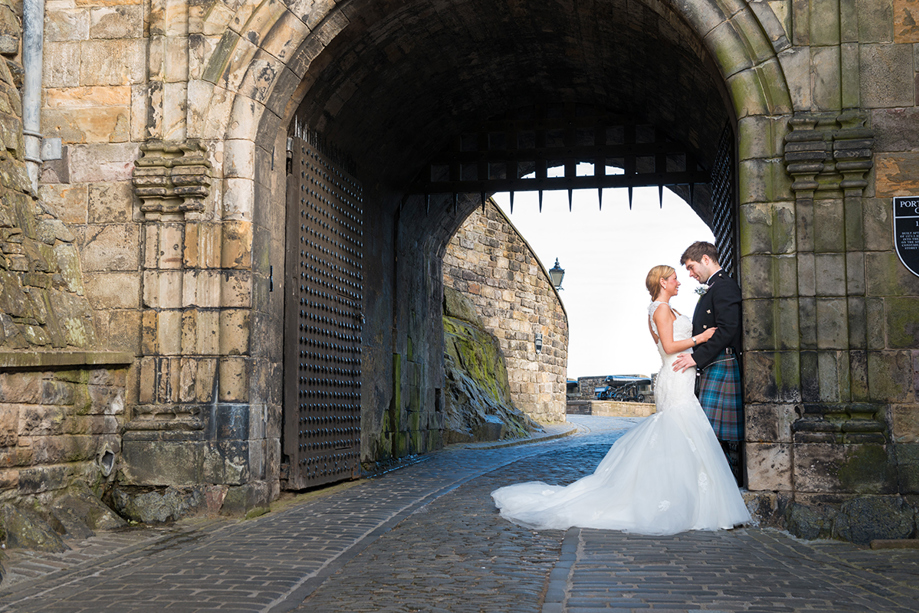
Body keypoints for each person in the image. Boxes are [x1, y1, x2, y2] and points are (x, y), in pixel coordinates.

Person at [490, 266, 751, 535]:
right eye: (674, 278)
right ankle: (676, 501)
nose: (679, 282)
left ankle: (688, 498)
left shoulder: (669, 309)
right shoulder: (659, 309)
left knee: (683, 437)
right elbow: (669, 347)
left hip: (683, 374)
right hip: (674, 375)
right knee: (680, 432)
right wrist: (702, 337)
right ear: (662, 282)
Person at [672, 242, 744, 485]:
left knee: (715, 433)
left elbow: (728, 329)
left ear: (705, 259)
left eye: (691, 267)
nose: (690, 274)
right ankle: (717, 487)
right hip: (714, 364)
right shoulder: (715, 287)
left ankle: (726, 487)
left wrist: (696, 357)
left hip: (721, 361)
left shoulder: (723, 286)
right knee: (709, 432)